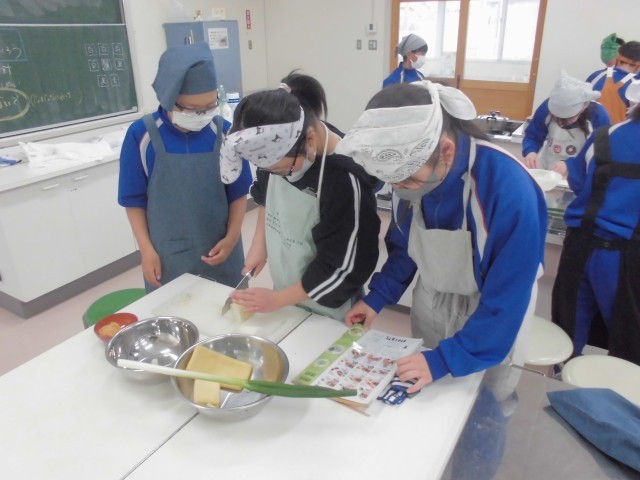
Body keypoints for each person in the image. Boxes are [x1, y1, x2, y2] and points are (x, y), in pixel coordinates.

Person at [336, 81, 547, 391]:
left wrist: (445, 360)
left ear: (446, 151)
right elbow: (405, 247)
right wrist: (376, 299)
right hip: (432, 298)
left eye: (408, 180)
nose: (400, 189)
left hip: (491, 316)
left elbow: (508, 295)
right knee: (429, 397)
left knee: (483, 399)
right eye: (393, 182)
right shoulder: (407, 174)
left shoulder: (509, 189)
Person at [219, 73, 380, 320]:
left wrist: (277, 300)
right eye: (269, 169)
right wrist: (259, 245)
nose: (277, 175)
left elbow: (340, 268)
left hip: (329, 308)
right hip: (287, 294)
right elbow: (265, 195)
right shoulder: (276, 150)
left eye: (282, 170)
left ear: (310, 141)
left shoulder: (345, 181)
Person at [118, 43, 252, 292]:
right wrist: (146, 251)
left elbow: (238, 192)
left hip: (222, 250)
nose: (203, 115)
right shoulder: (142, 137)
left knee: (228, 310)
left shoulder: (224, 133)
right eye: (193, 109)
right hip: (167, 257)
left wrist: (232, 237)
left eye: (210, 106)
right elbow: (134, 201)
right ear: (169, 99)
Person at [550, 92, 640, 366]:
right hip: (628, 257)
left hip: (580, 248)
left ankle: (561, 382)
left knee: (566, 334)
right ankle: (616, 392)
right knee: (628, 343)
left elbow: (579, 182)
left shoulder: (606, 135)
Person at [522, 72, 610, 170]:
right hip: (548, 167)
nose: (561, 123)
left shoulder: (599, 116)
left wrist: (570, 165)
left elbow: (600, 153)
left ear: (583, 108)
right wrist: (530, 151)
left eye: (568, 118)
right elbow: (533, 136)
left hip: (580, 172)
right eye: (557, 117)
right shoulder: (548, 107)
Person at [586, 40, 640, 123]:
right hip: (619, 131)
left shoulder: (595, 76)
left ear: (618, 56)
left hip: (592, 130)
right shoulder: (636, 85)